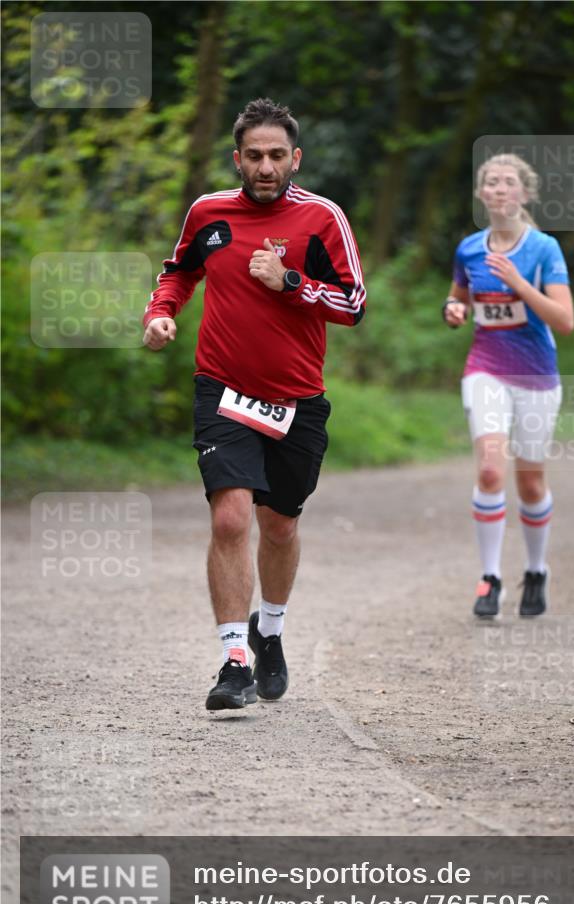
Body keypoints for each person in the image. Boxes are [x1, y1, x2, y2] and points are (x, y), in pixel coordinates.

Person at [143, 97, 366, 708]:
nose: (265, 167)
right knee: (230, 517)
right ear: (235, 158)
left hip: (297, 398)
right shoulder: (208, 213)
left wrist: (291, 283)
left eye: (276, 156)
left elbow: (354, 305)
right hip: (223, 390)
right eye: (253, 156)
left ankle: (270, 630)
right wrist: (162, 312)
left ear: (295, 158)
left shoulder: (323, 219)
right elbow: (180, 272)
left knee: (280, 524)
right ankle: (234, 659)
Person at [442, 152, 574, 617]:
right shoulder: (469, 249)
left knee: (531, 483)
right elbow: (457, 301)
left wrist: (518, 281)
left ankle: (537, 570)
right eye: (491, 182)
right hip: (485, 368)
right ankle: (490, 578)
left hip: (536, 375)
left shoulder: (544, 249)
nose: (499, 189)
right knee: (491, 472)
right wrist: (453, 311)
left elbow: (565, 321)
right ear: (481, 194)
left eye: (508, 182)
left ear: (524, 193)